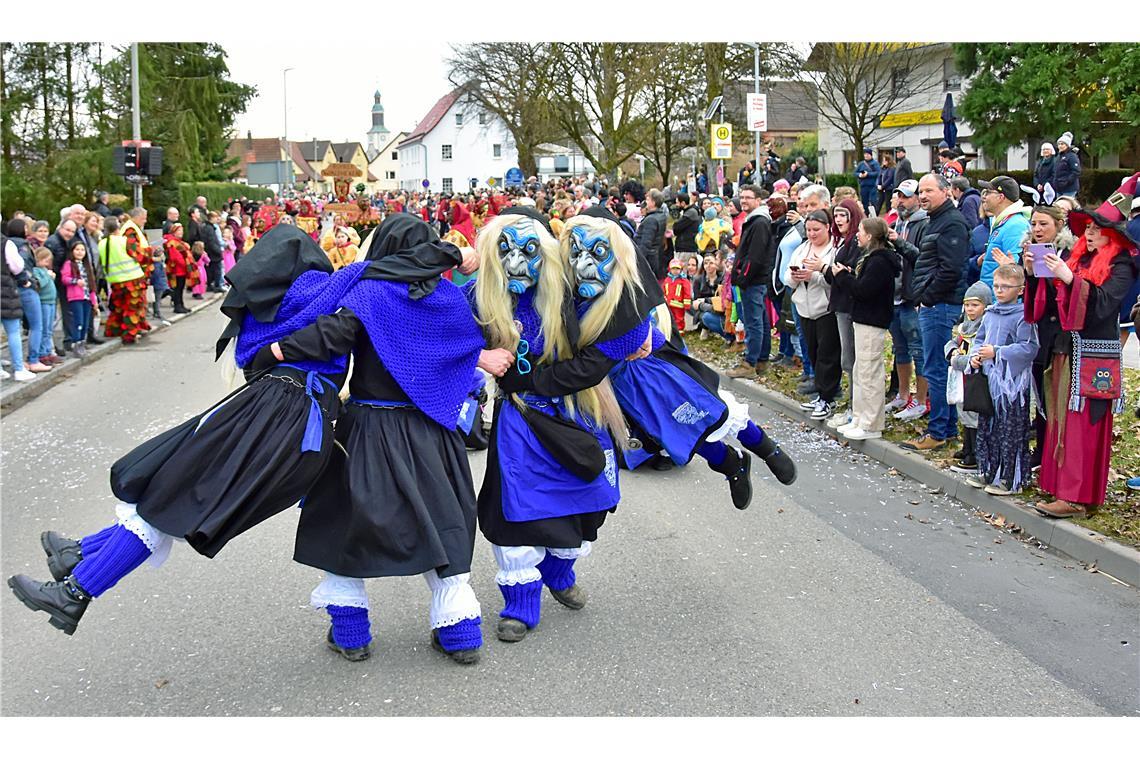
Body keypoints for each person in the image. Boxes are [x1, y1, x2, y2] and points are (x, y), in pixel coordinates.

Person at [6, 226, 361, 637]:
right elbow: (373, 270)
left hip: (276, 413)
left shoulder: (269, 303)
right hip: (290, 416)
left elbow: (254, 359)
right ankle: (79, 560)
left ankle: (76, 588)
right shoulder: (328, 292)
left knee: (169, 499)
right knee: (167, 494)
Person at [287, 215, 493, 663]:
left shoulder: (368, 294)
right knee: (445, 524)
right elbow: (466, 346)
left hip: (367, 430)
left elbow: (330, 339)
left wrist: (276, 349)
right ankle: (460, 633)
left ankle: (351, 632)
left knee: (343, 523)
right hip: (432, 432)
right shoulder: (447, 300)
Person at [1027, 181, 1138, 518]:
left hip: (1094, 354)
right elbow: (1051, 302)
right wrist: (1035, 274)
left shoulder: (1123, 266)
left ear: (1114, 235)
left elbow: (1104, 305)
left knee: (1082, 424)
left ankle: (1077, 496)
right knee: (1060, 417)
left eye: (1096, 230)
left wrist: (1072, 280)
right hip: (1065, 347)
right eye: (1087, 229)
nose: (1089, 235)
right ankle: (1059, 485)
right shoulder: (1079, 259)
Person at [901, 174, 971, 452]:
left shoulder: (952, 223)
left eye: (929, 190)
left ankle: (938, 431)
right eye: (921, 191)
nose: (923, 195)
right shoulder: (937, 221)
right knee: (938, 367)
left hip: (941, 306)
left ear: (946, 192)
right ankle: (947, 427)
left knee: (936, 368)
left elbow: (951, 269)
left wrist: (927, 298)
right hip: (934, 304)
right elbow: (928, 261)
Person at [961, 264, 1037, 495]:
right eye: (997, 286)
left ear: (1021, 289)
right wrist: (974, 358)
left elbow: (1029, 348)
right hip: (988, 382)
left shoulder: (1024, 316)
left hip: (1011, 386)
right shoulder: (991, 313)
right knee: (988, 428)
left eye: (1006, 286)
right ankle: (988, 469)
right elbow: (979, 340)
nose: (1000, 291)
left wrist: (998, 353)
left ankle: (1010, 477)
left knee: (1010, 431)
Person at [829, 217, 901, 440]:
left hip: (873, 320)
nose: (857, 234)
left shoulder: (880, 261)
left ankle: (871, 423)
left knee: (870, 372)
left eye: (860, 231)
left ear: (870, 235)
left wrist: (843, 276)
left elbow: (863, 291)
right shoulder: (870, 258)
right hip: (863, 319)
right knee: (861, 371)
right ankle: (859, 417)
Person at [784, 209, 840, 420]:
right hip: (804, 308)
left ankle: (828, 397)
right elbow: (787, 279)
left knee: (828, 355)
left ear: (827, 227)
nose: (812, 234)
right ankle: (820, 392)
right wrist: (797, 276)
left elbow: (835, 280)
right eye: (808, 230)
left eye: (816, 229)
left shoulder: (834, 249)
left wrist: (814, 275)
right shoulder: (801, 249)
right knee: (813, 352)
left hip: (825, 309)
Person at [820, 199, 866, 427]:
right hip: (839, 303)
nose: (838, 220)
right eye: (836, 216)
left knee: (851, 358)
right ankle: (852, 404)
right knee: (846, 357)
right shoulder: (841, 242)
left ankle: (855, 407)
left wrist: (831, 270)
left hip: (849, 306)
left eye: (843, 216)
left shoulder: (856, 243)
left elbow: (850, 273)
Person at [726, 185, 775, 378]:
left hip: (753, 281)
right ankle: (761, 360)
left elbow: (754, 256)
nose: (744, 201)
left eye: (748, 197)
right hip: (754, 280)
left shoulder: (759, 222)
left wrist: (742, 278)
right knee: (760, 320)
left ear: (758, 200)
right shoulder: (755, 220)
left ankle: (750, 363)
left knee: (753, 322)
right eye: (742, 197)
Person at [945, 282, 993, 474]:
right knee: (963, 411)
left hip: (976, 379)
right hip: (962, 379)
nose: (970, 309)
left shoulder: (985, 327)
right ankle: (967, 447)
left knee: (974, 415)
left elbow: (976, 355)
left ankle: (975, 454)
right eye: (967, 305)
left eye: (975, 305)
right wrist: (952, 351)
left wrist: (957, 360)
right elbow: (951, 343)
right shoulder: (964, 326)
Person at [5, 220, 50, 372]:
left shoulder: (8, 242)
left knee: (14, 327)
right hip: (24, 289)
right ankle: (33, 359)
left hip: (9, 290)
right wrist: (27, 281)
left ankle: (17, 361)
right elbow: (20, 266)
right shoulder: (22, 245)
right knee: (36, 325)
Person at [98, 216, 150, 344]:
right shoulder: (124, 241)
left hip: (115, 280)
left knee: (118, 307)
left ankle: (113, 330)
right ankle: (129, 335)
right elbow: (142, 256)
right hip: (132, 279)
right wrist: (150, 251)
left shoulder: (102, 243)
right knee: (132, 308)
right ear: (118, 227)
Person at [975, 175, 1030, 288]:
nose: (983, 197)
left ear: (1001, 197)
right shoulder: (1003, 222)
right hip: (995, 298)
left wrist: (1000, 302)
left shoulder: (1016, 225)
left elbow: (1016, 272)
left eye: (988, 192)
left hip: (1002, 300)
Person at [1, 233, 37, 381]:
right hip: (5, 290)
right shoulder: (5, 243)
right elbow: (17, 266)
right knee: (13, 331)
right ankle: (19, 369)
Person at [60, 238, 98, 358]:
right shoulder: (69, 264)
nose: (80, 252)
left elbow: (91, 285)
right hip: (75, 297)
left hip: (87, 297)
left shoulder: (87, 266)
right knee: (78, 321)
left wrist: (94, 300)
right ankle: (75, 343)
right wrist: (75, 281)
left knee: (86, 322)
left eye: (82, 250)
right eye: (77, 249)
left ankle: (82, 342)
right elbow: (64, 278)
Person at [692, 254, 732, 342]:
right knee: (704, 315)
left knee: (712, 313)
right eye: (706, 263)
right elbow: (696, 302)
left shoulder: (724, 278)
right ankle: (705, 327)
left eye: (711, 263)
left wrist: (704, 302)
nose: (708, 265)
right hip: (704, 310)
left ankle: (728, 336)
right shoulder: (698, 280)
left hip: (720, 309)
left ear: (716, 264)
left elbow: (721, 301)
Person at [636, 188, 668, 279]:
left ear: (653, 203)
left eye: (648, 199)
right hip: (657, 254)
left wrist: (639, 260)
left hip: (649, 258)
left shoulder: (651, 220)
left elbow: (646, 243)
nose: (646, 201)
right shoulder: (661, 215)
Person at [163, 222, 193, 314]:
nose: (181, 232)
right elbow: (175, 257)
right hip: (177, 270)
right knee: (177, 289)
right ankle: (178, 306)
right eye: (179, 230)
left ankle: (181, 305)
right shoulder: (172, 242)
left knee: (180, 288)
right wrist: (185, 264)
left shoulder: (178, 242)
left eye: (182, 230)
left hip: (181, 270)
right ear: (174, 231)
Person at [662, 258, 692, 334]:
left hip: (679, 305)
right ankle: (671, 330)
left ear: (681, 269)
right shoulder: (667, 280)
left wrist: (687, 304)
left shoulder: (684, 280)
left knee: (679, 318)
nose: (675, 270)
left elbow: (687, 293)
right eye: (673, 268)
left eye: (677, 268)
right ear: (670, 269)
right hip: (668, 303)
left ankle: (680, 331)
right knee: (670, 317)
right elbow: (664, 290)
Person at [1051, 132, 1081, 198]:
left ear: (1067, 145)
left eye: (1062, 144)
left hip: (1069, 189)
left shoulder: (1072, 156)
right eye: (1059, 144)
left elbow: (1076, 171)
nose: (1060, 146)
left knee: (1065, 206)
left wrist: (1067, 182)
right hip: (1059, 189)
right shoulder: (1058, 157)